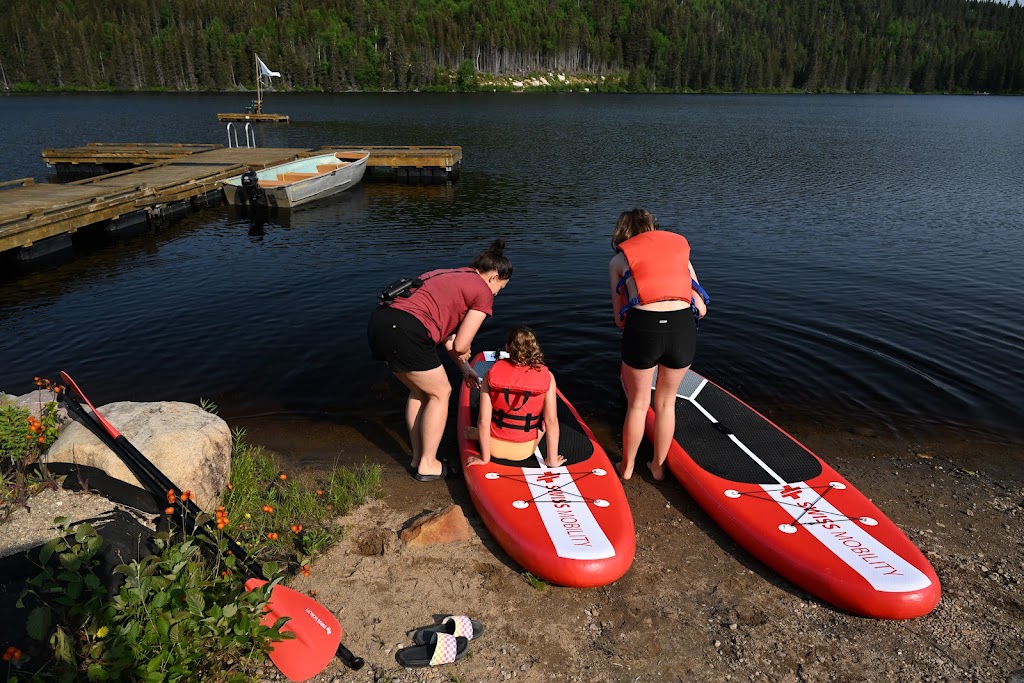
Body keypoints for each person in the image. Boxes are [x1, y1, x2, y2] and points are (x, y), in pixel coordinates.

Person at [368, 239, 512, 481]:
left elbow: (446, 338)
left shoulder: (449, 274)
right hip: (406, 330)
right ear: (493, 277)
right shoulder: (483, 291)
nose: (497, 293)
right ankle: (428, 465)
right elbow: (460, 344)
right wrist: (464, 350)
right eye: (501, 288)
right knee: (440, 393)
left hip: (381, 324)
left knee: (420, 392)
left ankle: (418, 457)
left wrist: (465, 368)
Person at [609, 208, 707, 481]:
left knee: (638, 404)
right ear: (653, 228)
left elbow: (619, 319)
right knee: (666, 403)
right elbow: (700, 307)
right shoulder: (680, 252)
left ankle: (626, 468)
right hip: (681, 329)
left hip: (643, 329)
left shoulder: (619, 260)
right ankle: (657, 467)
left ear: (623, 232)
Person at [464, 327, 565, 469]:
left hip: (494, 447)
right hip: (525, 450)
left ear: (507, 348)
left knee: (477, 426)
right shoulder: (548, 377)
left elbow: (483, 420)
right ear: (534, 348)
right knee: (544, 423)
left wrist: (484, 458)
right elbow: (551, 421)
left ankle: (477, 435)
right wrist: (552, 461)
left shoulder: (489, 374)